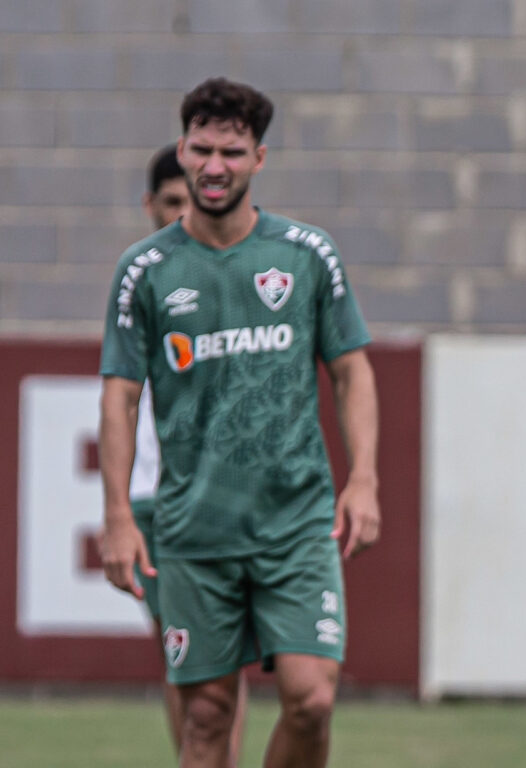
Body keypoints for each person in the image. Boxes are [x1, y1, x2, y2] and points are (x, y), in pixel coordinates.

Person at [99, 77, 381, 768]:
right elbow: (119, 397)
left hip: (294, 523)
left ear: (259, 158)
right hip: (193, 529)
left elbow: (351, 370)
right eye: (200, 149)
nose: (214, 166)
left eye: (231, 151)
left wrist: (365, 480)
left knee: (311, 699)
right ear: (183, 150)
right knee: (205, 718)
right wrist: (116, 517)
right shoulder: (145, 271)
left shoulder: (307, 255)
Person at [128, 144, 250, 766]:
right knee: (180, 653)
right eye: (171, 202)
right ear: (150, 205)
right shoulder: (140, 281)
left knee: (224, 652)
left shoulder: (232, 275)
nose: (183, 213)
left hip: (222, 490)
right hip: (155, 493)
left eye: (190, 200)